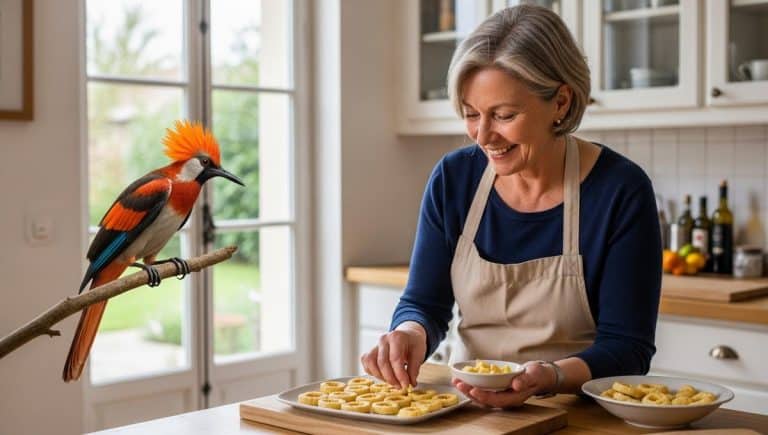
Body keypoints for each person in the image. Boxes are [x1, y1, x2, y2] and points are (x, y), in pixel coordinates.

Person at [360, 4, 661, 408]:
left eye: (504, 115)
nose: (484, 135)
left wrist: (549, 377)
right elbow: (424, 303)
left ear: (560, 103)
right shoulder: (455, 179)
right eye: (471, 114)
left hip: (576, 413)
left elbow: (628, 347)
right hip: (467, 408)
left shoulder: (620, 190)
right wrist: (410, 334)